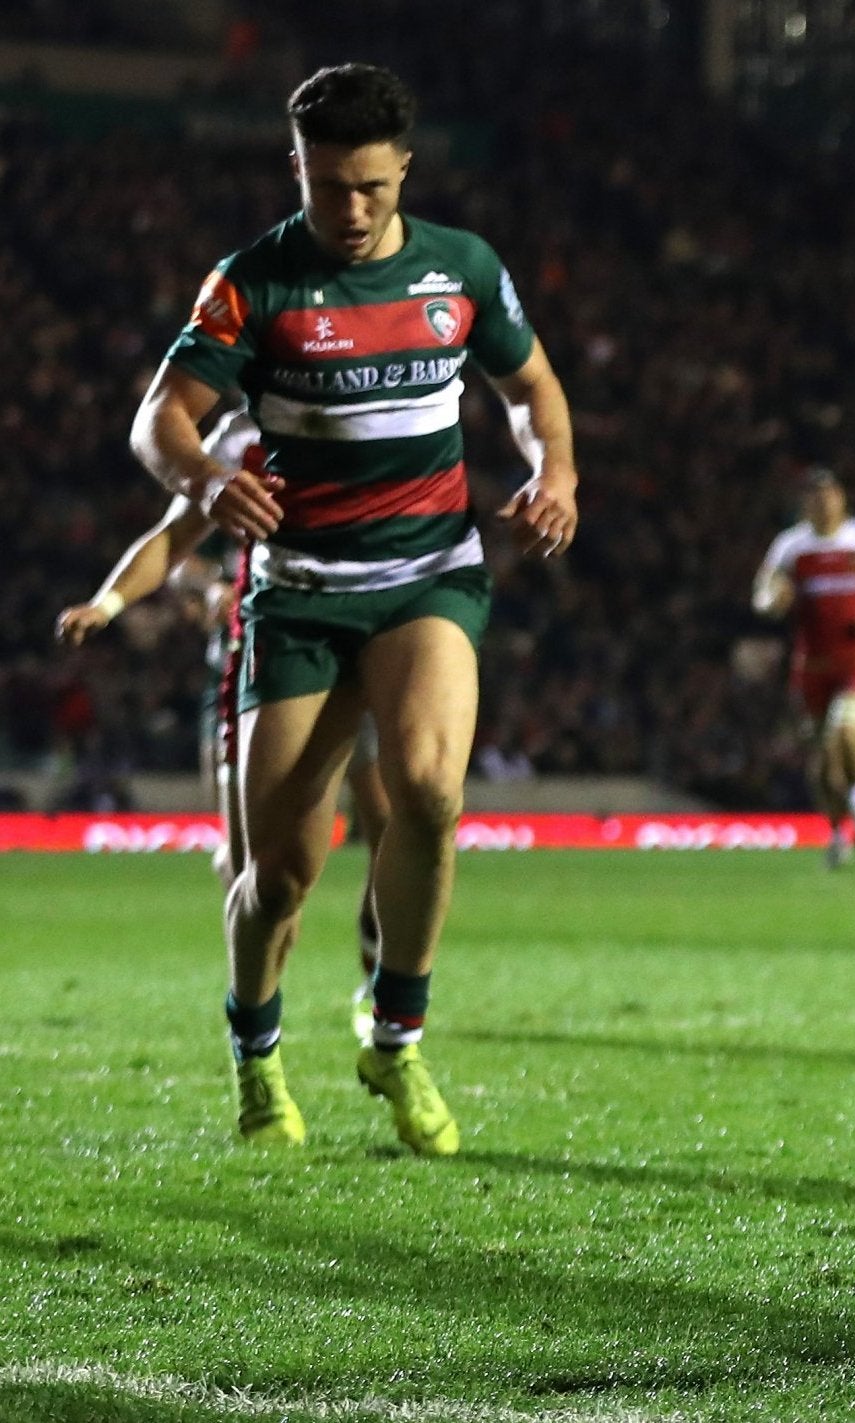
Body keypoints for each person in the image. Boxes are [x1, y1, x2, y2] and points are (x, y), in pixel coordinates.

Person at [128, 63, 580, 1154]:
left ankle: (394, 1036)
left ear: (403, 171)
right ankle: (255, 1053)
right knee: (277, 874)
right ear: (299, 169)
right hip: (300, 599)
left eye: (372, 187)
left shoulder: (462, 269)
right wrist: (201, 481)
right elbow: (159, 421)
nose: (352, 209)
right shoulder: (254, 282)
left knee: (427, 792)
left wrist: (554, 472)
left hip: (427, 575)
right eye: (330, 186)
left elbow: (532, 392)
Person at [57, 409, 390, 1040]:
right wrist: (120, 602)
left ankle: (379, 979)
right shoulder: (239, 439)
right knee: (258, 868)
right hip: (262, 659)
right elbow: (177, 541)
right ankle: (260, 1008)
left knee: (394, 823)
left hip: (361, 648)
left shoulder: (374, 406)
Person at [751, 467, 855, 868]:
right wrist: (772, 601)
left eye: (828, 494)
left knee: (846, 735)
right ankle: (839, 832)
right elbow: (764, 591)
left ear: (842, 498)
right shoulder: (791, 546)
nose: (822, 502)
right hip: (812, 665)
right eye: (813, 496)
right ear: (805, 503)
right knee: (822, 761)